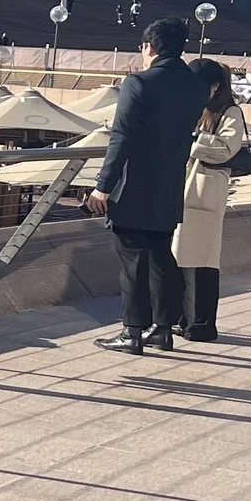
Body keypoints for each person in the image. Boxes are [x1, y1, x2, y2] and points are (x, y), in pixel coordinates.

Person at [86, 18, 204, 355]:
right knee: (160, 257)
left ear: (148, 47)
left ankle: (131, 331)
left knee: (132, 262)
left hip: (133, 187)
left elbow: (121, 137)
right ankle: (162, 329)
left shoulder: (138, 82)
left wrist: (102, 186)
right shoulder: (194, 87)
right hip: (168, 187)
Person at [175, 57, 250, 343]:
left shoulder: (230, 112)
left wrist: (193, 140)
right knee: (179, 258)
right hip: (183, 190)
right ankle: (180, 319)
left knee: (203, 261)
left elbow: (226, 149)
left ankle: (203, 324)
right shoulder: (194, 107)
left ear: (215, 86)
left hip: (205, 190)